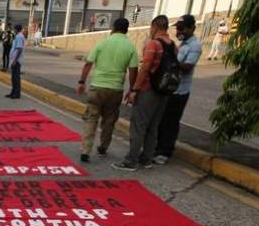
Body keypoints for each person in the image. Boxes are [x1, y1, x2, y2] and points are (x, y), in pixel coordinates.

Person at [114, 15, 174, 171]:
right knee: (153, 127)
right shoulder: (173, 45)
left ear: (155, 26)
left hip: (148, 90)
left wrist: (134, 89)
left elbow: (145, 68)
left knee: (138, 126)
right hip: (164, 91)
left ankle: (131, 161)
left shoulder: (153, 44)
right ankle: (146, 159)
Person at [76, 17, 139, 162]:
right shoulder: (130, 46)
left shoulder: (102, 43)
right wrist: (132, 90)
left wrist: (81, 82)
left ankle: (86, 150)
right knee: (109, 120)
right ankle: (103, 147)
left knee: (91, 118)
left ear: (113, 28)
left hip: (97, 87)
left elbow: (88, 63)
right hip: (115, 89)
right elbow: (133, 70)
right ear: (126, 30)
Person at [154, 14, 201, 164]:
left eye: (182, 28)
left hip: (180, 91)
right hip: (169, 88)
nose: (179, 32)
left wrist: (171, 59)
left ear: (192, 28)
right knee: (161, 120)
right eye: (178, 28)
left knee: (171, 122)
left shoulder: (194, 46)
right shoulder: (181, 44)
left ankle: (165, 152)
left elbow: (187, 67)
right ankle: (158, 148)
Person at [6, 24, 25, 100]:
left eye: (14, 29)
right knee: (13, 77)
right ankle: (13, 92)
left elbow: (19, 49)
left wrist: (15, 60)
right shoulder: (18, 36)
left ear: (17, 29)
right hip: (14, 60)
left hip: (16, 60)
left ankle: (16, 93)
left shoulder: (19, 37)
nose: (13, 30)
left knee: (16, 77)